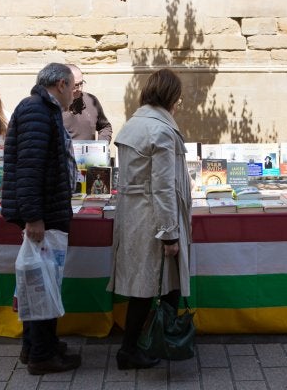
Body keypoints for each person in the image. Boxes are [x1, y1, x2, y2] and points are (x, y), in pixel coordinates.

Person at [107, 68, 192, 370]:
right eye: (177, 96)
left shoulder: (134, 124)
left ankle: (143, 345)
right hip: (156, 219)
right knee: (157, 286)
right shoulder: (161, 131)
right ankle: (144, 346)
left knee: (148, 286)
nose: (179, 101)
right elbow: (164, 186)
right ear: (170, 96)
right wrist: (169, 233)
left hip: (134, 216)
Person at [1, 63, 81, 375]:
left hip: (47, 212)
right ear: (61, 83)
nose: (75, 92)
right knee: (42, 284)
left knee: (42, 281)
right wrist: (33, 217)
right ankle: (42, 355)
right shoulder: (37, 110)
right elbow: (30, 169)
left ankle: (36, 344)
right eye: (73, 86)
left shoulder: (40, 108)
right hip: (44, 216)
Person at [62, 64, 113, 142]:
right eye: (75, 85)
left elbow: (105, 127)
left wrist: (101, 145)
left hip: (90, 154)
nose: (80, 88)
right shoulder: (51, 106)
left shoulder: (91, 100)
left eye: (81, 83)